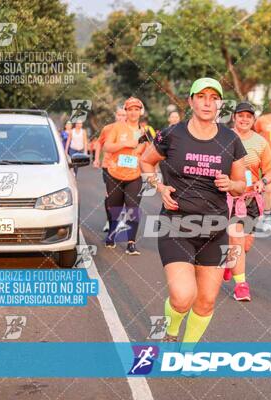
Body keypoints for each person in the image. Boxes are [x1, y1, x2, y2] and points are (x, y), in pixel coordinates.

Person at [140, 77, 246, 345]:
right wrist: (159, 187)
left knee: (206, 301)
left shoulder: (230, 139)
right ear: (191, 101)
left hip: (214, 230)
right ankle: (171, 330)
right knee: (183, 296)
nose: (207, 102)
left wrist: (231, 184)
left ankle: (188, 353)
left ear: (220, 103)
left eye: (213, 97)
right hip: (176, 225)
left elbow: (240, 186)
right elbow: (145, 161)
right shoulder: (172, 134)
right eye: (201, 96)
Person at [226, 101, 271, 301]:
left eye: (248, 116)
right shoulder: (224, 137)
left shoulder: (260, 142)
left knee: (245, 244)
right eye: (241, 115)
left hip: (251, 198)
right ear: (234, 117)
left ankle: (232, 264)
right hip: (230, 196)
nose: (244, 119)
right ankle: (241, 286)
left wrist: (263, 181)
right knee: (236, 237)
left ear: (253, 120)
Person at [102, 97, 149, 255]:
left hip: (134, 176)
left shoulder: (144, 132)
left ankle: (131, 243)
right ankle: (112, 234)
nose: (133, 112)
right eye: (130, 109)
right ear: (126, 111)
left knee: (133, 208)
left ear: (140, 112)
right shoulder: (117, 128)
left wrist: (151, 175)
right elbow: (107, 147)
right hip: (114, 174)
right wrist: (124, 144)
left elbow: (148, 154)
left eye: (136, 109)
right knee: (114, 207)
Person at [94, 107, 127, 233]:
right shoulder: (107, 128)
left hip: (125, 167)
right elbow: (98, 143)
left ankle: (120, 219)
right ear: (115, 115)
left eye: (124, 115)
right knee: (110, 195)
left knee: (123, 195)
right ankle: (109, 221)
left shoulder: (131, 129)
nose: (121, 117)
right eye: (119, 115)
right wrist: (96, 159)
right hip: (109, 166)